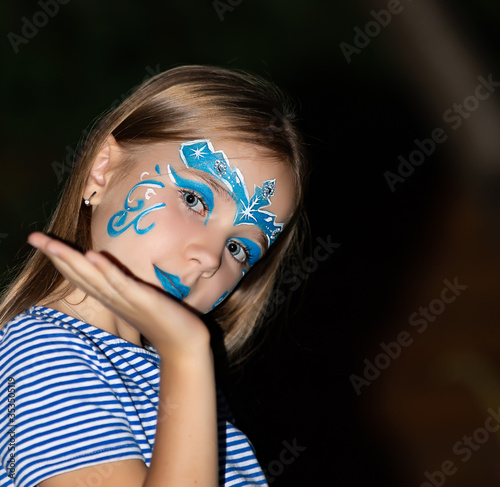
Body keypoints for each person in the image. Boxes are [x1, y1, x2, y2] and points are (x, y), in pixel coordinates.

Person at [0, 65, 308, 487]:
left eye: (239, 248)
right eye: (194, 198)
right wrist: (187, 353)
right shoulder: (45, 352)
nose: (209, 258)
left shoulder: (172, 377)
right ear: (101, 170)